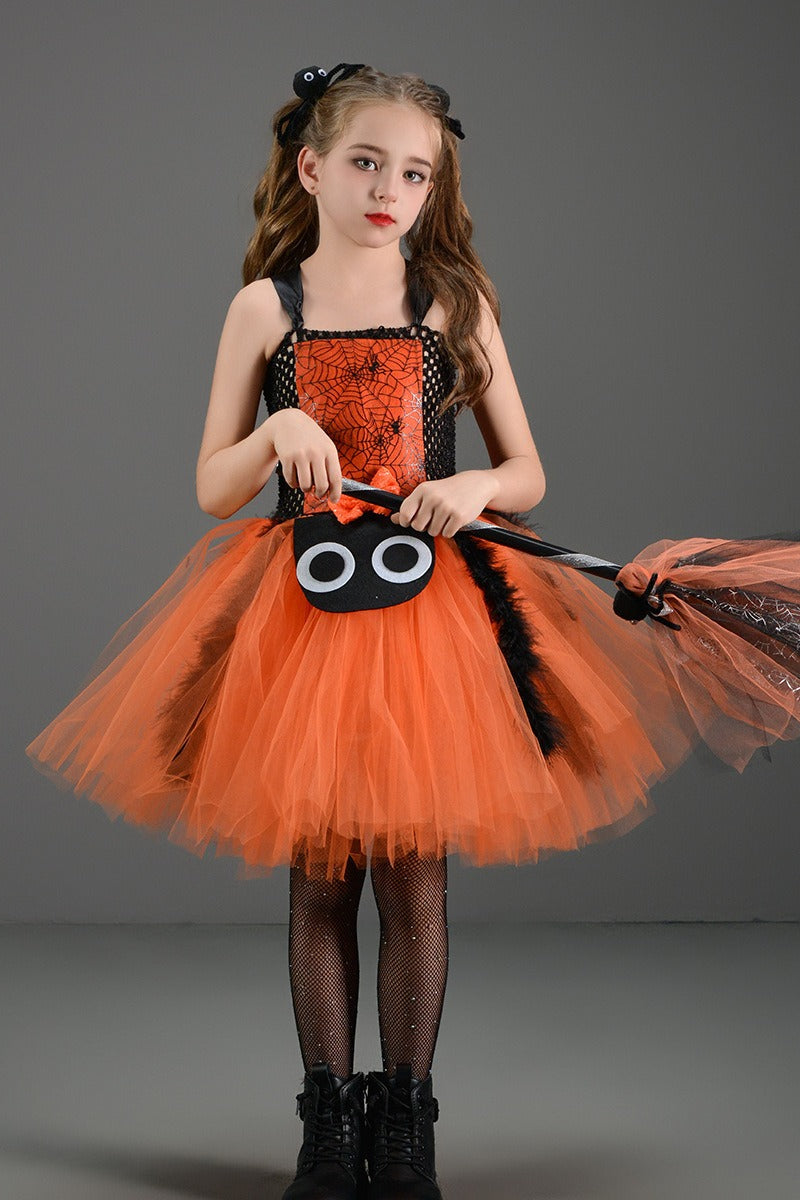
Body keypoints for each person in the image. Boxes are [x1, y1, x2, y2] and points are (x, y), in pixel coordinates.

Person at [24, 63, 800, 1200]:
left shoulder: (450, 306)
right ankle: (326, 1128)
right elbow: (210, 485)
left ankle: (406, 1127)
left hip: (429, 615)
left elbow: (526, 470)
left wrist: (475, 488)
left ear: (435, 187)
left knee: (413, 882)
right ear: (310, 168)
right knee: (318, 883)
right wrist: (277, 430)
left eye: (416, 173)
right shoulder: (266, 310)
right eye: (366, 163)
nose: (390, 189)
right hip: (302, 613)